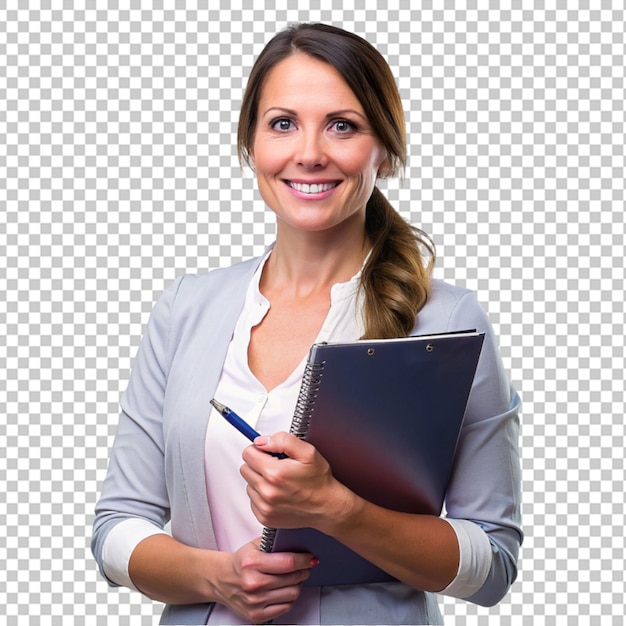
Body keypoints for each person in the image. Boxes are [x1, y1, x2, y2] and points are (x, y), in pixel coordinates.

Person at [92, 23, 522, 625]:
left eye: (343, 125)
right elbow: (116, 530)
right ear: (251, 143)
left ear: (386, 151)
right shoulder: (186, 308)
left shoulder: (445, 320)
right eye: (283, 122)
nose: (310, 151)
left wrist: (336, 509)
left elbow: (493, 563)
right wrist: (217, 576)